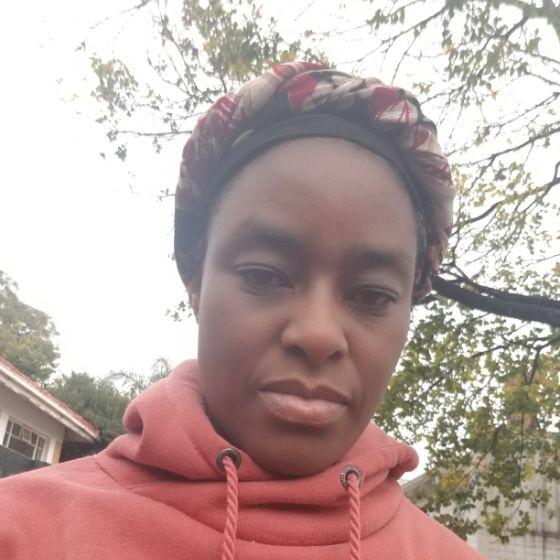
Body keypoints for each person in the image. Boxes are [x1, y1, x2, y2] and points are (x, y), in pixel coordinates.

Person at [0, 61, 484, 559]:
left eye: (372, 295)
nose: (318, 334)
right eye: (264, 276)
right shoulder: (19, 532)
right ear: (195, 281)